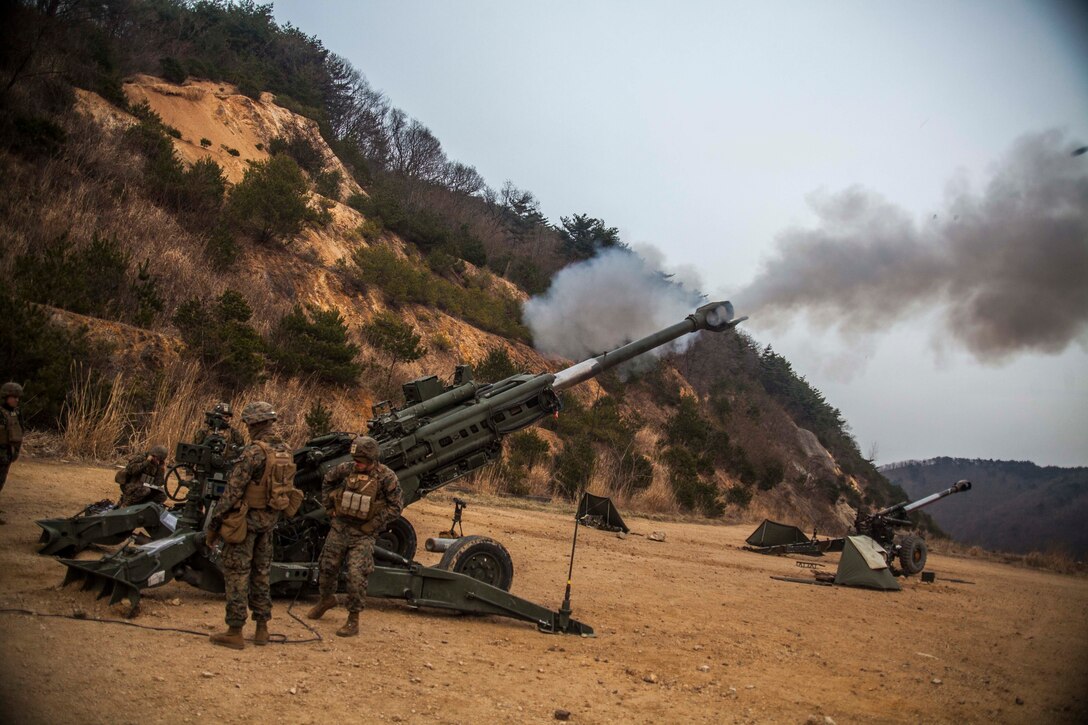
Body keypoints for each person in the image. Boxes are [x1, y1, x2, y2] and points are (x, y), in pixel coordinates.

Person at [205, 401, 296, 650]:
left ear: (254, 424)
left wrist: (214, 525)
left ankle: (235, 631)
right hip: (268, 523)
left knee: (237, 573)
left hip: (245, 522)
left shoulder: (253, 452)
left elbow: (233, 492)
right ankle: (262, 629)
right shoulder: (286, 451)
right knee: (262, 575)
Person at [306, 435, 403, 637]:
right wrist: (330, 509)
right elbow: (327, 481)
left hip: (363, 534)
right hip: (340, 528)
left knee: (356, 575)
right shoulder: (346, 469)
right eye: (355, 460)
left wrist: (373, 524)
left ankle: (353, 619)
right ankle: (326, 599)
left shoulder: (386, 477)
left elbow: (396, 507)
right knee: (326, 567)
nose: (357, 464)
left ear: (372, 459)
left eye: (361, 461)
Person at [0, 382, 25, 525]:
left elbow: (20, 431)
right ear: (6, 397)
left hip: (7, 454)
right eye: (13, 397)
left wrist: (15, 452)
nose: (16, 400)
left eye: (18, 397)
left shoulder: (16, 413)